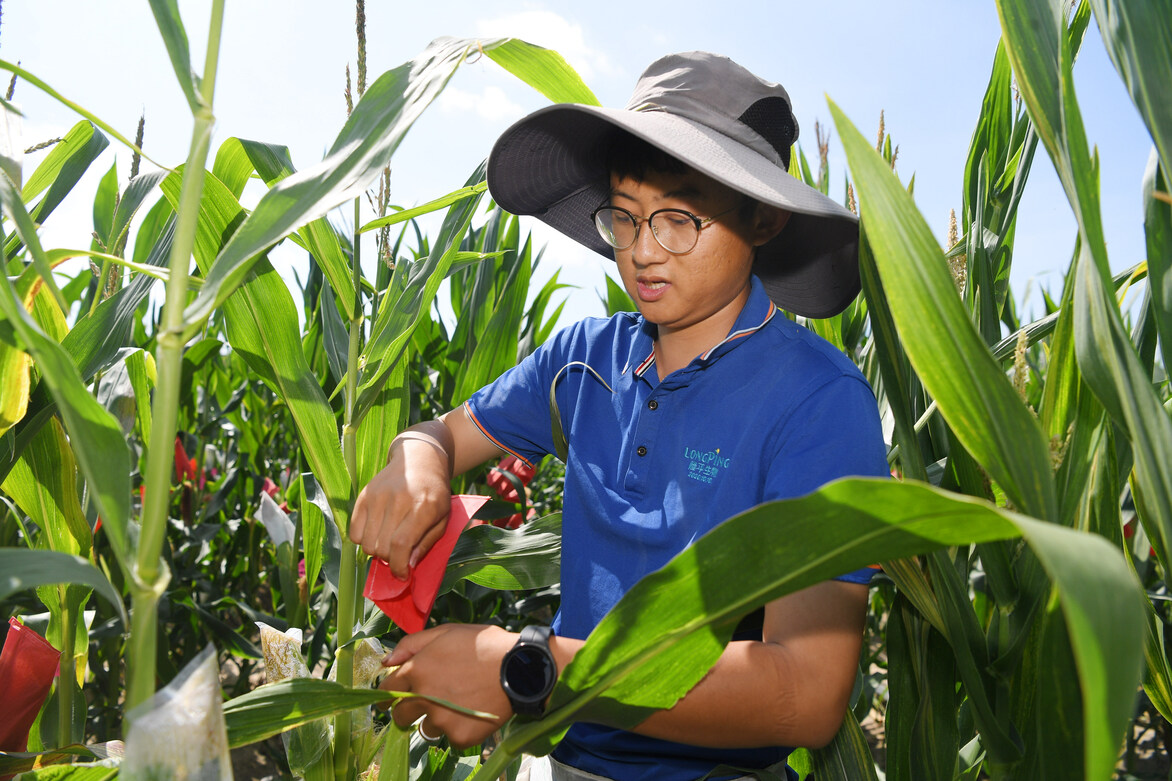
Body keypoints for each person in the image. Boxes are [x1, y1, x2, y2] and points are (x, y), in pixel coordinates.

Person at [350, 51, 888, 781]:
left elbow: (806, 690)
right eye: (625, 217)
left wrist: (528, 670)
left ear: (762, 218)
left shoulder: (819, 402)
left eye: (678, 219)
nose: (639, 253)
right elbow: (446, 432)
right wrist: (415, 461)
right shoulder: (584, 360)